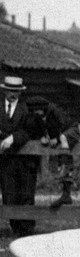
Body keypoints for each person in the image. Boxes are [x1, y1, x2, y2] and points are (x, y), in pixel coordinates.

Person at [24, 95, 79, 209]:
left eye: (37, 110)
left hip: (70, 131)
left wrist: (58, 138)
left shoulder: (54, 110)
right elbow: (40, 128)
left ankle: (64, 171)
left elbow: (64, 124)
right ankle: (66, 194)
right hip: (58, 138)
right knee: (59, 156)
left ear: (42, 108)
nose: (36, 113)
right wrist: (42, 137)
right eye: (34, 111)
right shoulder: (37, 116)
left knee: (64, 141)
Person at [0, 75, 38, 217]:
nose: (12, 94)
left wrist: (13, 137)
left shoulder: (27, 108)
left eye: (16, 91)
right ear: (4, 91)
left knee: (26, 196)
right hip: (5, 161)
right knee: (9, 197)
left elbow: (31, 130)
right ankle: (15, 228)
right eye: (9, 90)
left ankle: (26, 232)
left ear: (20, 92)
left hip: (26, 162)